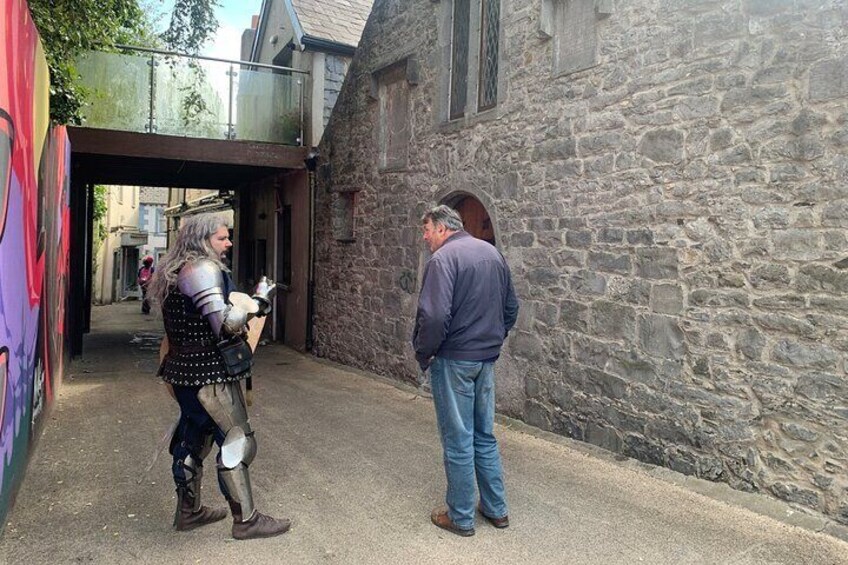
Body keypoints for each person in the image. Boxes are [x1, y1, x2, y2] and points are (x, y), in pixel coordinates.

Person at [147, 213, 290, 540]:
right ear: (202, 239)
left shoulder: (175, 270)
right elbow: (226, 325)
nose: (228, 244)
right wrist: (259, 300)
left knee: (194, 439)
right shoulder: (201, 270)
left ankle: (189, 511)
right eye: (222, 238)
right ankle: (247, 520)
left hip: (184, 372)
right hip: (210, 374)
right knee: (238, 441)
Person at [413, 204, 519, 537]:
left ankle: (460, 516)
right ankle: (496, 509)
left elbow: (432, 317)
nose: (426, 237)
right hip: (484, 359)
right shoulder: (492, 254)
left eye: (427, 230)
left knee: (458, 439)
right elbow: (511, 308)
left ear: (443, 228)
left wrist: (424, 353)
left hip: (454, 360)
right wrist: (493, 340)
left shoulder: (443, 260)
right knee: (484, 435)